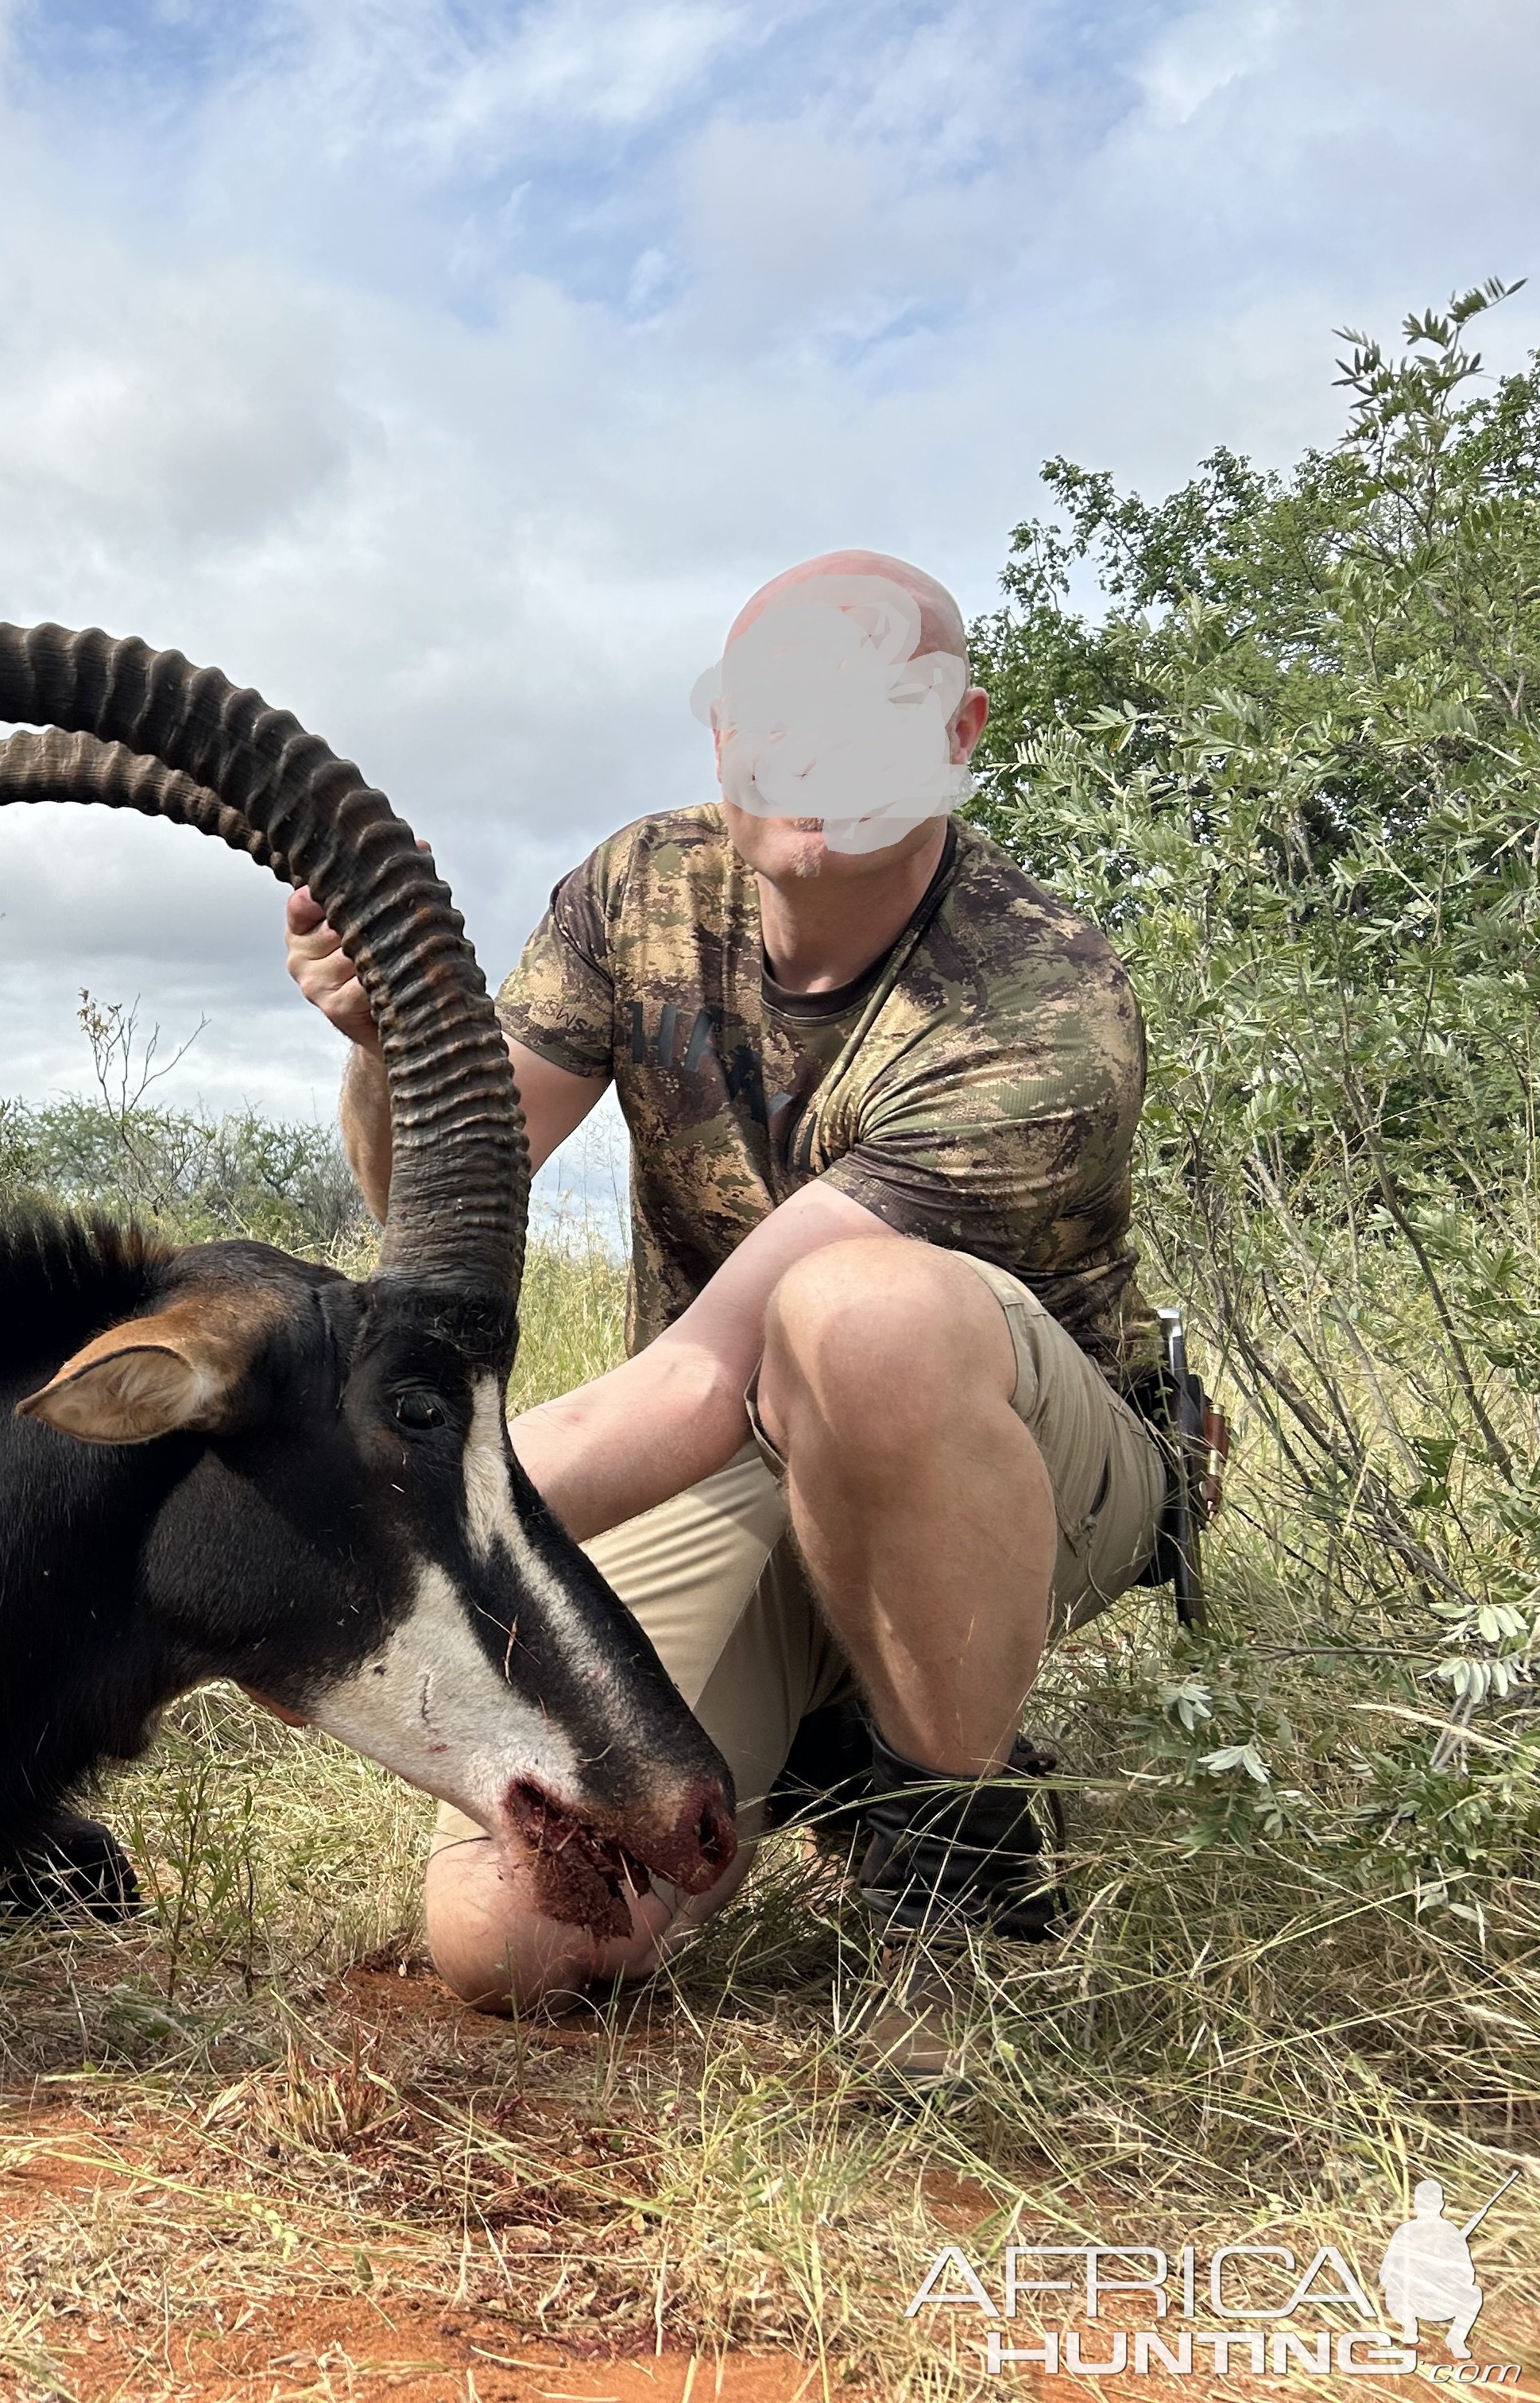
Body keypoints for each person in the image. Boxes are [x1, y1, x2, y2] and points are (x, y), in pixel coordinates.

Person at [284, 548, 1189, 2078]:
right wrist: (389, 1037)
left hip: (1011, 1448)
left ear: (957, 734)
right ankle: (825, 1738)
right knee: (513, 1936)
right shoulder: (637, 886)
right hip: (747, 1451)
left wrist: (337, 1537)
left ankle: (948, 1858)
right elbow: (434, 1204)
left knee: (861, 1320)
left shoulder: (1040, 1000)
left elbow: (712, 1372)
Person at [1382, 2181, 1485, 2357]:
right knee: (1474, 2294)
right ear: (1441, 2204)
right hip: (1426, 2303)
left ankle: (1421, 2331)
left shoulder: (1406, 2230)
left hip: (1415, 2303)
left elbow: (1385, 2274)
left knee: (1473, 2293)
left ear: (1416, 2204)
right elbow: (1468, 2274)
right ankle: (1446, 2336)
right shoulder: (1446, 2230)